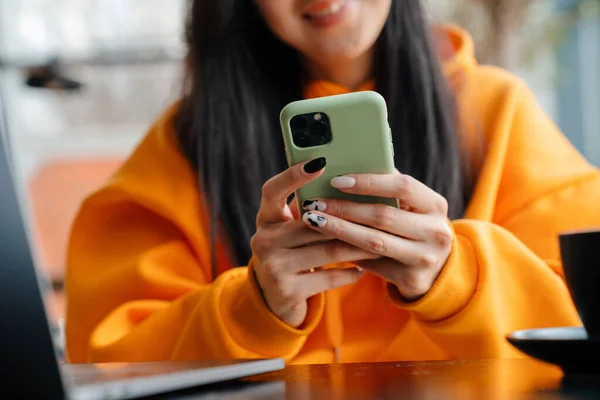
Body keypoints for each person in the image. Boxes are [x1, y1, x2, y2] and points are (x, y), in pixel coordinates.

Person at [65, 0, 600, 364]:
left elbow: (583, 319)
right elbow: (108, 360)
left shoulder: (496, 113)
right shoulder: (186, 144)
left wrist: (459, 279)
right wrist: (252, 307)